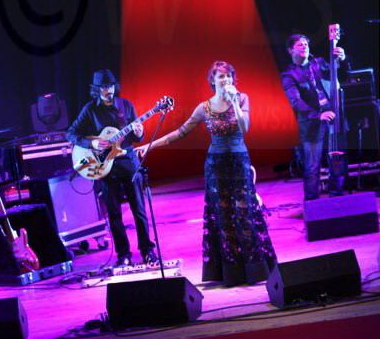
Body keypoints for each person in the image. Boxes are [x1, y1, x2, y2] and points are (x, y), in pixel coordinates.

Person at [137, 61, 276, 286]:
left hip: (239, 162)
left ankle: (254, 269)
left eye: (228, 76)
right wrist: (150, 145)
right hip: (216, 165)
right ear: (213, 80)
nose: (226, 80)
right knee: (223, 217)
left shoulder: (242, 98)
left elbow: (244, 127)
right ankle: (231, 272)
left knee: (244, 213)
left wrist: (234, 102)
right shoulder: (204, 107)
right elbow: (180, 132)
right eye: (221, 76)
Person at [66, 69, 155, 267]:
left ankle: (147, 250)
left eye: (111, 86)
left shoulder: (126, 105)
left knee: (139, 209)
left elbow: (135, 137)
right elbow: (71, 133)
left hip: (128, 162)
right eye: (104, 87)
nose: (109, 90)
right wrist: (92, 143)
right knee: (114, 214)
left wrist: (139, 133)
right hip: (105, 166)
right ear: (97, 90)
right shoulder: (90, 109)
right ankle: (123, 254)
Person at [280, 33, 349, 200]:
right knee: (312, 166)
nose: (304, 46)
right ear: (290, 50)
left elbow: (342, 76)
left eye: (305, 43)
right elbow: (296, 101)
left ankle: (337, 197)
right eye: (299, 44)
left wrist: (342, 59)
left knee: (337, 161)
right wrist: (318, 115)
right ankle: (312, 201)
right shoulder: (289, 75)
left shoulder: (320, 63)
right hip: (311, 123)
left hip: (333, 117)